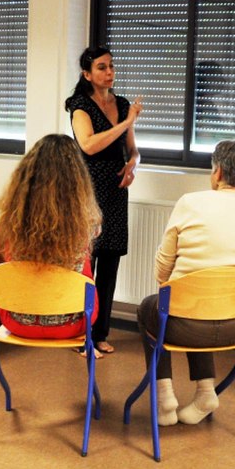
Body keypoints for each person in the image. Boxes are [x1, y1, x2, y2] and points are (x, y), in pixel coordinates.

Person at [137, 138, 235, 426]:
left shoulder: (190, 203)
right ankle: (205, 392)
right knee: (204, 304)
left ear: (218, 172)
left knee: (153, 308)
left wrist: (174, 284)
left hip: (184, 325)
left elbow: (163, 271)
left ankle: (165, 398)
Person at [66, 45, 142, 357]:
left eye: (111, 66)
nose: (109, 72)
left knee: (110, 262)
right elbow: (89, 145)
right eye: (101, 67)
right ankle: (79, 334)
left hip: (116, 190)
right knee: (86, 264)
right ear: (87, 74)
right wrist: (126, 122)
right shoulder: (79, 105)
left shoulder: (121, 104)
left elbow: (133, 149)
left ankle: (100, 334)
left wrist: (132, 164)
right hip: (89, 190)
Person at [0, 134, 102, 339]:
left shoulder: (10, 220)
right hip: (73, 322)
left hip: (17, 320)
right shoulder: (88, 223)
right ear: (78, 180)